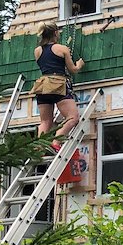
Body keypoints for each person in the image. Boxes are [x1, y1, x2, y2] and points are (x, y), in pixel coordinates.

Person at [33, 21, 84, 152]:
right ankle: (56, 141)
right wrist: (79, 64)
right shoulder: (62, 49)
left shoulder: (37, 51)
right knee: (73, 118)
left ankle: (39, 147)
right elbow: (72, 69)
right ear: (55, 33)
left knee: (45, 122)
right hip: (58, 84)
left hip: (42, 86)